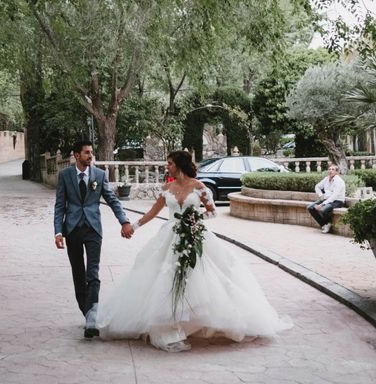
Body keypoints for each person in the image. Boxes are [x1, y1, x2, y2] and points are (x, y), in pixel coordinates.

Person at [97, 150, 291, 352]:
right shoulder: (167, 188)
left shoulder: (199, 187)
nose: (167, 167)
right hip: (170, 236)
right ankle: (171, 323)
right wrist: (133, 227)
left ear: (179, 165)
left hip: (195, 234)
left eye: (170, 163)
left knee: (202, 277)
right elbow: (152, 213)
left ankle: (196, 320)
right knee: (165, 277)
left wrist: (194, 221)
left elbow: (212, 212)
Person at [54, 140, 132, 338]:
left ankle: (93, 314)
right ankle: (87, 311)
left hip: (93, 229)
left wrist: (124, 221)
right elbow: (60, 205)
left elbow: (112, 199)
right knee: (78, 273)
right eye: (87, 153)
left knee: (93, 271)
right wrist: (58, 232)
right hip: (71, 229)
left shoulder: (99, 175)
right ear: (76, 155)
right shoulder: (65, 175)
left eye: (92, 153)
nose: (90, 156)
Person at [307, 164, 345, 234]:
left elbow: (334, 196)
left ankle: (328, 223)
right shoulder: (326, 179)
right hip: (326, 199)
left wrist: (322, 204)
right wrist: (321, 195)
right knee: (310, 207)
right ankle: (324, 224)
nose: (330, 171)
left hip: (337, 201)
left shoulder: (339, 181)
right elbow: (317, 186)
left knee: (322, 210)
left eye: (333, 169)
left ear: (337, 172)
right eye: (329, 169)